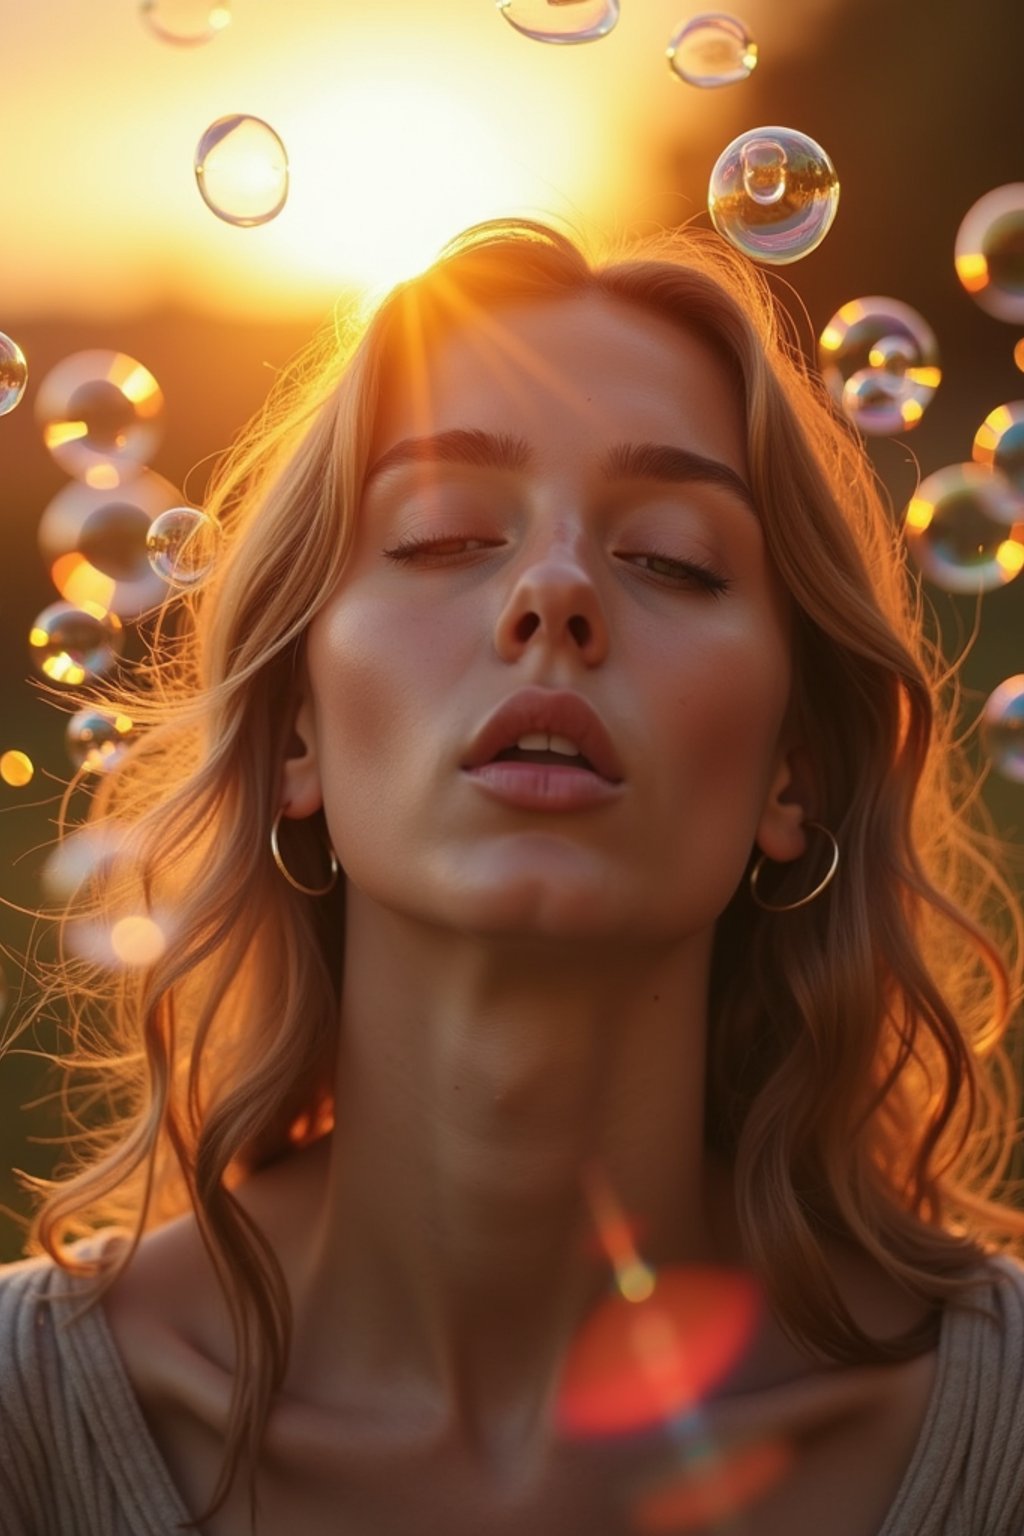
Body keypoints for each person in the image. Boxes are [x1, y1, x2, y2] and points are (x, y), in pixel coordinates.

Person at [1, 215, 1023, 1536]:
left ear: (793, 773)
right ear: (296, 729)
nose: (552, 591)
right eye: (438, 535)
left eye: (671, 556)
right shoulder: (32, 1432)